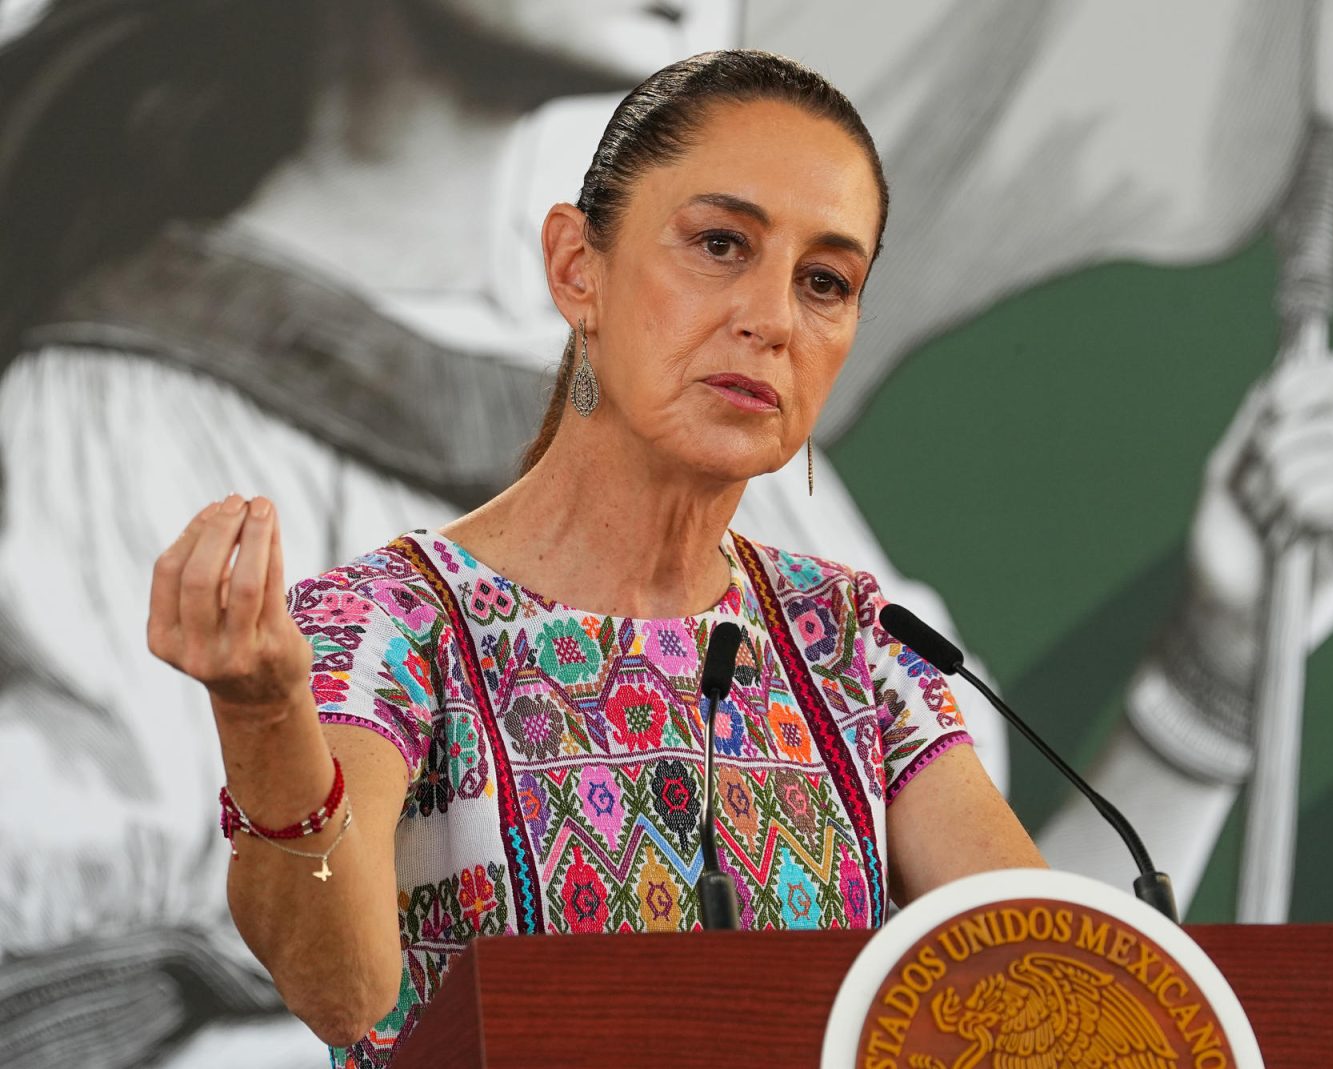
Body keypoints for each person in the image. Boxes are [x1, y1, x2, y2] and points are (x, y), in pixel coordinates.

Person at [145, 51, 1047, 1067]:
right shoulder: (386, 622)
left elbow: (1054, 982)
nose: (772, 319)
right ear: (579, 268)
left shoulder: (849, 641)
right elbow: (346, 991)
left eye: (824, 281)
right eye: (719, 244)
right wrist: (265, 716)